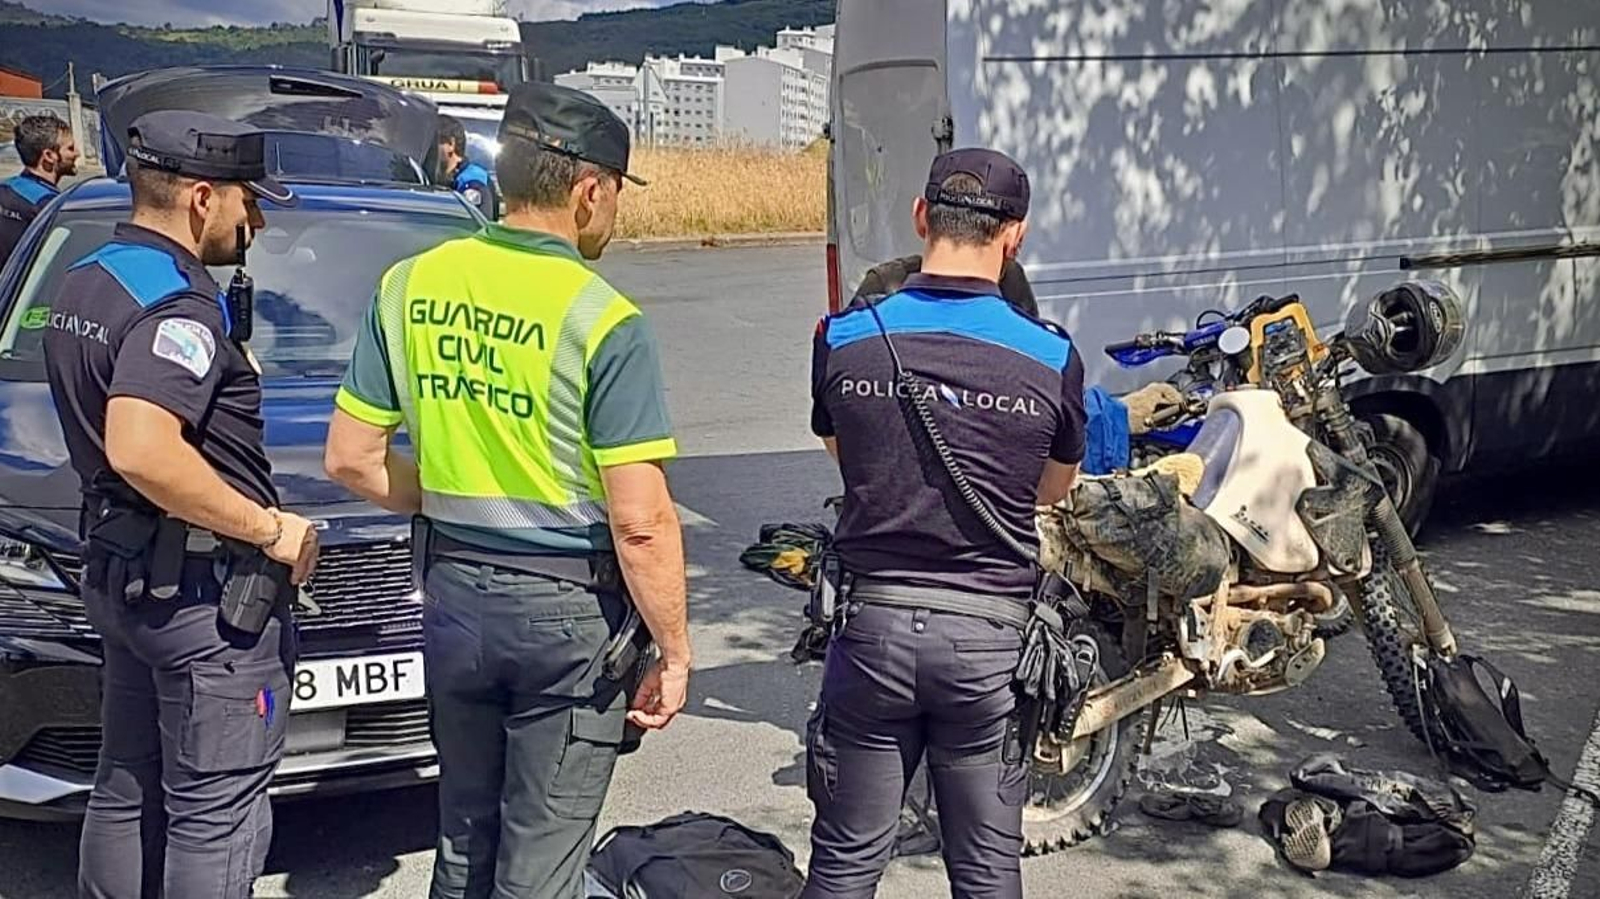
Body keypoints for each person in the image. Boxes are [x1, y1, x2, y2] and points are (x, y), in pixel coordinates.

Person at [324, 81, 691, 899]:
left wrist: (455, 493)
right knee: (542, 865)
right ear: (591, 190)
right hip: (567, 618)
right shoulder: (604, 319)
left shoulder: (408, 284)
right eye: (618, 195)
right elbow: (639, 520)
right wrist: (675, 648)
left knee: (463, 841)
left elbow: (351, 457)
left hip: (451, 597)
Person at [40, 110, 319, 899]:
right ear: (202, 198)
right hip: (204, 602)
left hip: (127, 579)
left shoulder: (89, 278)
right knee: (216, 814)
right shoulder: (180, 307)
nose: (256, 219)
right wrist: (270, 529)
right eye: (246, 202)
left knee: (125, 786)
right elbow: (141, 446)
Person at [803, 147, 1088, 897]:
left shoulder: (841, 338)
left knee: (842, 863)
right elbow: (1051, 491)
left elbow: (850, 458)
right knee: (988, 873)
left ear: (922, 217)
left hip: (872, 632)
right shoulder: (1051, 355)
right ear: (1015, 235)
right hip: (988, 644)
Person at [0, 113, 79, 267]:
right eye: (70, 148)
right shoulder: (49, 206)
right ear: (49, 156)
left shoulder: (4, 188)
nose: (77, 153)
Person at [437, 113, 498, 219]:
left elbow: (476, 226)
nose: (428, 149)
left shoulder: (473, 181)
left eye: (434, 143)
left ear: (451, 144)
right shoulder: (438, 177)